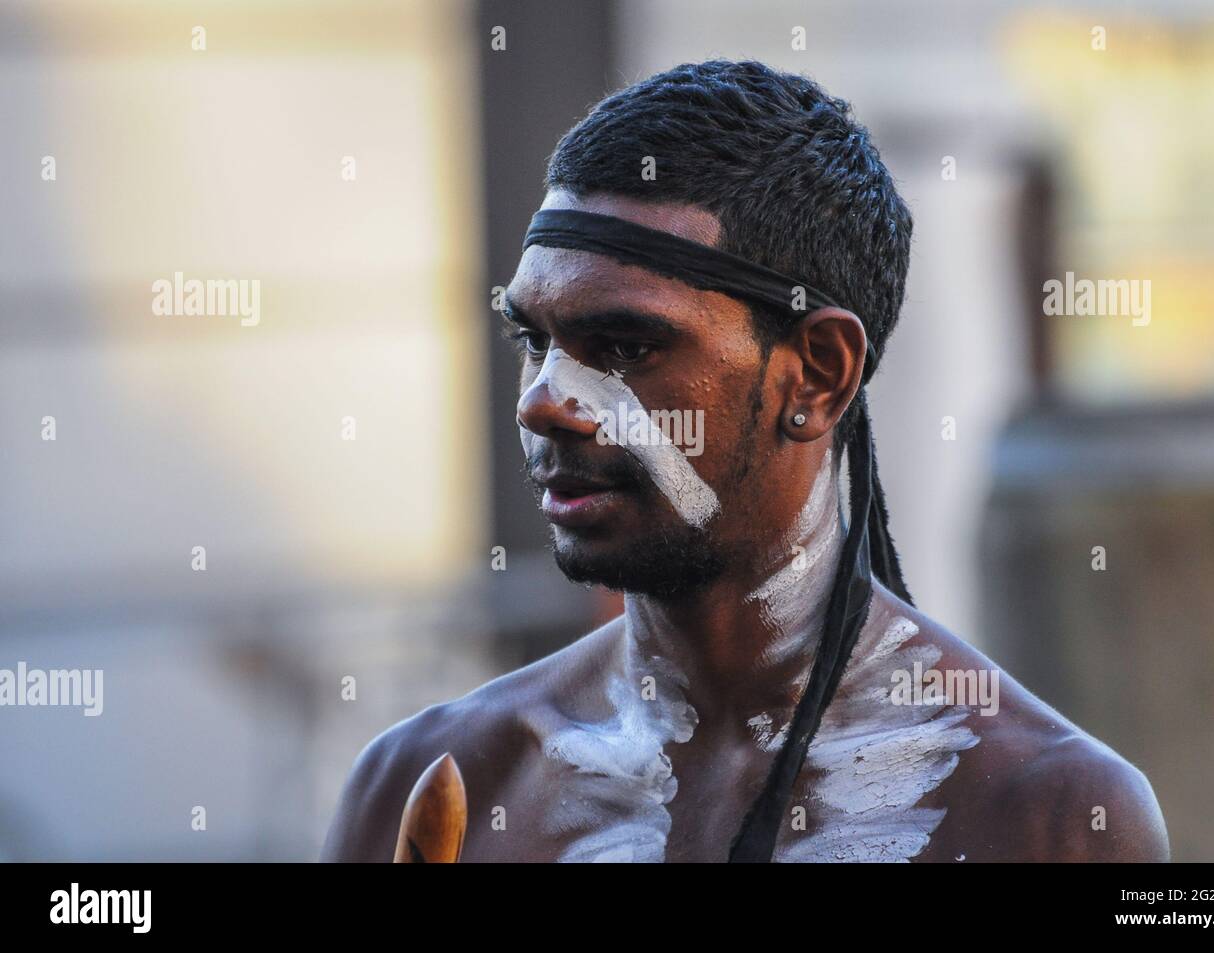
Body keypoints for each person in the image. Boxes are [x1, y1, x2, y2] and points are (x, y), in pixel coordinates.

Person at [322, 60, 1169, 863]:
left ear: (818, 375)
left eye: (624, 345)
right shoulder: (431, 781)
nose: (543, 400)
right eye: (533, 340)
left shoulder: (1050, 816)